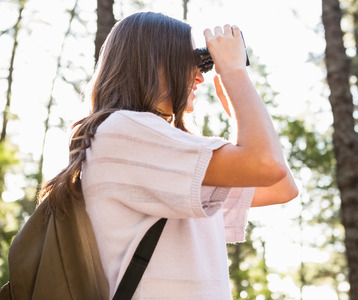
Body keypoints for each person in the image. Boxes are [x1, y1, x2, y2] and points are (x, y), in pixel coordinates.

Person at [39, 11, 298, 300]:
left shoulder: (164, 152)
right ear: (155, 63)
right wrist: (234, 72)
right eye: (190, 63)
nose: (200, 76)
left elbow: (280, 187)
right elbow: (267, 165)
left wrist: (239, 108)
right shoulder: (124, 131)